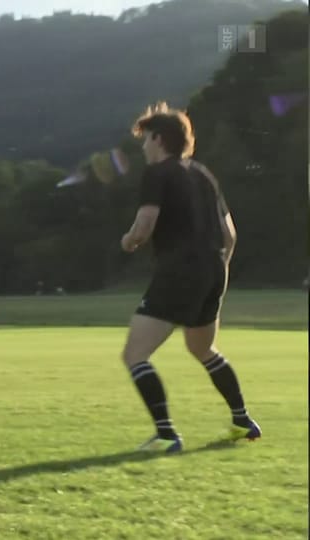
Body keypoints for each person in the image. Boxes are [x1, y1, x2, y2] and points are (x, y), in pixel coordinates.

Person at [121, 102, 260, 453]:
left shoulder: (157, 173)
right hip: (214, 269)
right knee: (202, 348)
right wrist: (215, 266)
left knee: (135, 353)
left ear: (158, 139)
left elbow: (144, 226)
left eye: (145, 140)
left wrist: (129, 241)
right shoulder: (203, 174)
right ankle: (243, 421)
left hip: (179, 270)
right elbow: (230, 234)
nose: (143, 148)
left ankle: (167, 435)